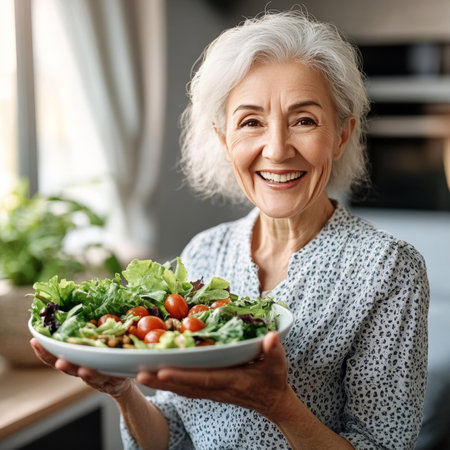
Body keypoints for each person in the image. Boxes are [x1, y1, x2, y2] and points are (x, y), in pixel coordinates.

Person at [30, 10, 429, 450]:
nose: (276, 150)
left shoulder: (387, 268)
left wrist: (278, 404)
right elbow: (172, 436)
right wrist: (122, 390)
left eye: (304, 120)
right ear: (224, 140)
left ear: (340, 135)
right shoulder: (204, 253)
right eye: (251, 122)